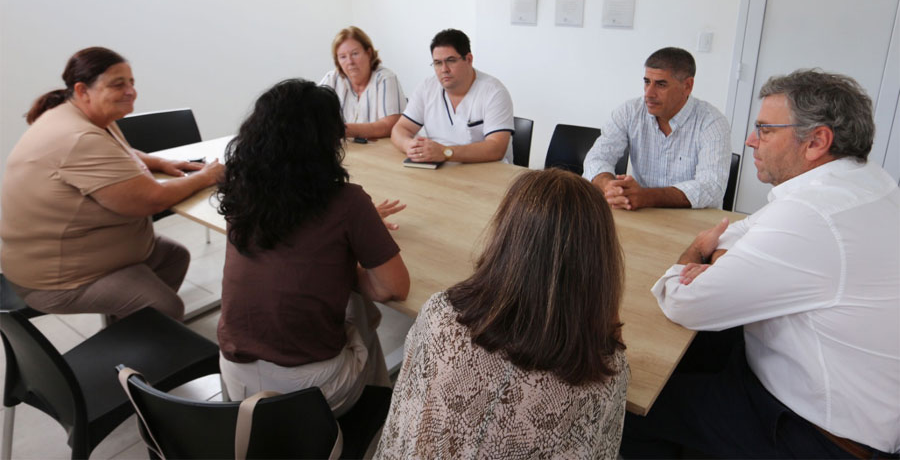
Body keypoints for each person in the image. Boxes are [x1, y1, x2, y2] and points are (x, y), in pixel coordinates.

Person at [622, 70, 900, 458]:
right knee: (694, 354)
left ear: (817, 141)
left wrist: (696, 252)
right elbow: (736, 232)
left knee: (630, 402)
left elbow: (683, 301)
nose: (751, 141)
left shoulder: (813, 214)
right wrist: (726, 260)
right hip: (841, 401)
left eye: (766, 130)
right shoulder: (864, 182)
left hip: (816, 436)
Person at [376, 169, 629, 459]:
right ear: (599, 263)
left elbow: (404, 419)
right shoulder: (605, 371)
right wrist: (602, 302)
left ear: (506, 237)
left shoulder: (440, 315)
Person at [215, 79, 410, 416]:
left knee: (347, 303)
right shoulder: (347, 202)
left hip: (235, 377)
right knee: (360, 309)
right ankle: (379, 411)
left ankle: (373, 405)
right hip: (308, 395)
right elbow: (393, 287)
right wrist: (350, 245)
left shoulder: (241, 189)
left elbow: (291, 241)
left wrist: (345, 240)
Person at [0, 47, 224, 320]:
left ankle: (138, 329)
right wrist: (206, 176)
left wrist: (158, 162)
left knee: (173, 256)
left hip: (89, 254)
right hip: (58, 278)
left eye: (131, 82)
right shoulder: (78, 138)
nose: (131, 91)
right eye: (118, 84)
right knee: (166, 306)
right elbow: (151, 200)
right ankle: (145, 335)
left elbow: (120, 151)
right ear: (82, 90)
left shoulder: (85, 116)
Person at [583, 47, 731, 209]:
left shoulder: (712, 122)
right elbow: (597, 158)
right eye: (647, 82)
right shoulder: (630, 111)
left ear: (687, 86)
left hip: (693, 219)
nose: (649, 93)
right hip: (642, 214)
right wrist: (610, 187)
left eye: (661, 84)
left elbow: (711, 187)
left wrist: (646, 196)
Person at [391, 28, 515, 163]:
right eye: (438, 63)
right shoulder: (427, 87)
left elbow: (496, 148)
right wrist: (409, 146)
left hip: (487, 170)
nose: (444, 69)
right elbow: (400, 129)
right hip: (439, 167)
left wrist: (445, 152)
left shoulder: (494, 92)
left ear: (469, 59)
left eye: (451, 60)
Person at [319, 26, 406, 140]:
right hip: (348, 148)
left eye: (355, 54)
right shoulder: (332, 79)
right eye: (343, 57)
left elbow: (390, 125)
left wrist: (341, 130)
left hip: (381, 149)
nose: (350, 62)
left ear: (368, 53)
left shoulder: (385, 79)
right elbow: (310, 112)